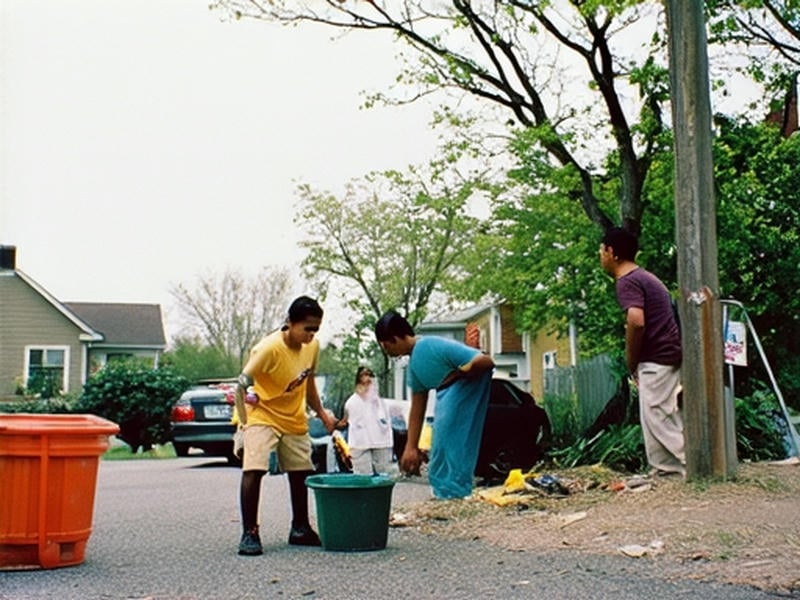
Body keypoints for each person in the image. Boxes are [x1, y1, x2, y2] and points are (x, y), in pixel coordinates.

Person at [233, 295, 336, 556]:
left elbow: (307, 382)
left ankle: (300, 527)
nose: (311, 335)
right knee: (254, 468)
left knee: (301, 470)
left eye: (316, 329)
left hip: (292, 415)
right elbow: (242, 385)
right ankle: (250, 532)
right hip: (262, 413)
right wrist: (244, 423)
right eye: (307, 328)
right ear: (290, 323)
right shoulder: (268, 349)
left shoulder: (312, 347)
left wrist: (321, 413)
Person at [374, 310, 495, 499]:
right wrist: (410, 446)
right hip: (446, 395)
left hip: (461, 391)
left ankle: (453, 495)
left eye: (385, 346)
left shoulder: (429, 345)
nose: (387, 351)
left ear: (392, 339)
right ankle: (445, 495)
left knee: (451, 448)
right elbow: (417, 407)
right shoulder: (414, 365)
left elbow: (484, 361)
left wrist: (460, 373)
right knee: (440, 449)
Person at [599, 227, 685, 477]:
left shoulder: (628, 281)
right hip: (666, 351)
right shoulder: (646, 277)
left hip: (657, 355)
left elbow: (636, 321)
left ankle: (690, 465)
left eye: (601, 251)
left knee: (659, 414)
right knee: (652, 413)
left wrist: (631, 359)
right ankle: (663, 468)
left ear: (612, 252)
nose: (601, 256)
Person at [337, 366, 394, 476]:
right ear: (358, 384)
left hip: (381, 444)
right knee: (363, 480)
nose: (367, 386)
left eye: (369, 382)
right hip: (359, 446)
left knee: (383, 479)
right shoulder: (351, 403)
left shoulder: (380, 403)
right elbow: (344, 421)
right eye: (364, 382)